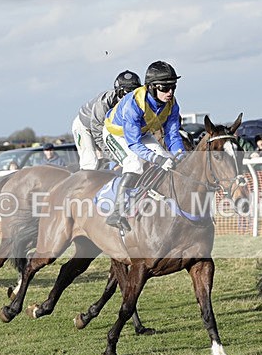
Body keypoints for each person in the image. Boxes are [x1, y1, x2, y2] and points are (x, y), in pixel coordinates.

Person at [103, 60, 185, 230]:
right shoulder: (134, 104)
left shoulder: (172, 104)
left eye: (173, 87)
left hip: (141, 132)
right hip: (116, 134)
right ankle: (116, 212)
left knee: (168, 159)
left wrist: (180, 155)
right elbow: (133, 143)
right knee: (134, 163)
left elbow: (172, 135)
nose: (170, 92)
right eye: (165, 88)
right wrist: (157, 159)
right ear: (152, 87)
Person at [72, 70, 142, 170]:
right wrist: (116, 158)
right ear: (118, 91)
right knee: (90, 163)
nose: (129, 99)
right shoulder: (104, 104)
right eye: (125, 94)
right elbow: (98, 133)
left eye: (134, 94)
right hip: (85, 127)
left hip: (103, 128)